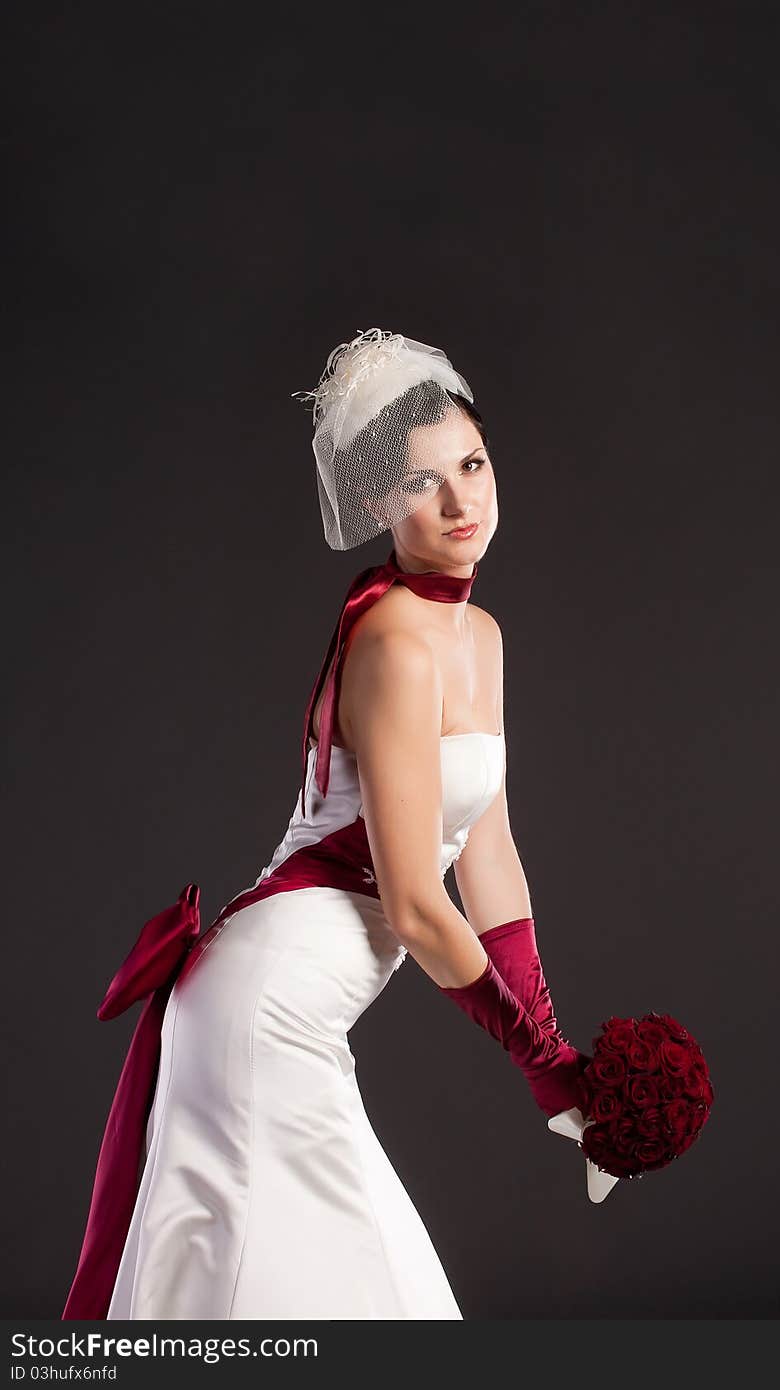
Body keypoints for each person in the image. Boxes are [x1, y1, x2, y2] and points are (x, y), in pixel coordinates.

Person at [62, 329, 590, 1321]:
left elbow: (489, 853)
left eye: (472, 465)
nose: (461, 501)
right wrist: (538, 1063)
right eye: (424, 483)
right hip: (265, 1011)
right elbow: (416, 904)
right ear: (379, 503)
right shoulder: (393, 639)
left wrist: (555, 1050)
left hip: (293, 1004)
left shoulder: (477, 634)